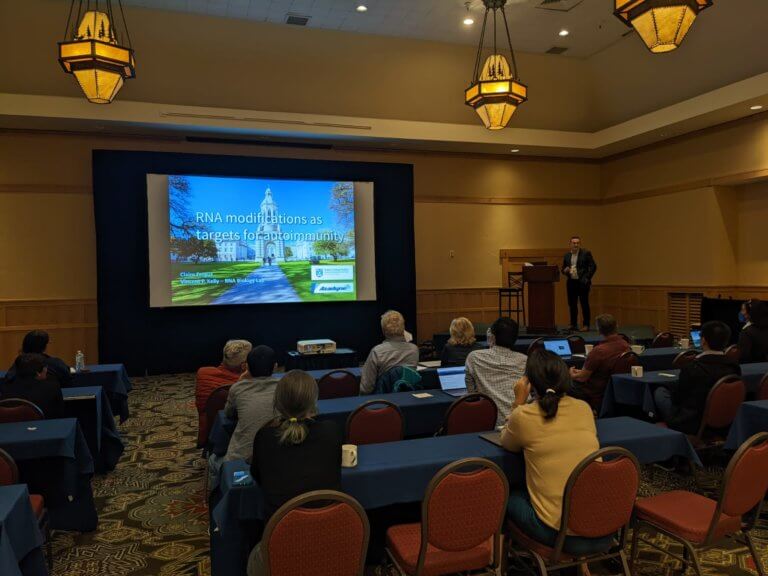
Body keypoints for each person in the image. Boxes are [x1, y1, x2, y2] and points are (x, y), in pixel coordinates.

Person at [501, 350, 611, 554]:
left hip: (560, 536)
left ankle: (504, 559)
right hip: (604, 528)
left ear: (530, 383)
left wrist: (518, 402)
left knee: (503, 493)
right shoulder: (583, 408)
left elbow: (507, 443)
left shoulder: (523, 415)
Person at [247, 370, 342, 576]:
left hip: (280, 547)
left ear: (277, 402)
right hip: (331, 542)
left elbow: (258, 477)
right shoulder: (332, 431)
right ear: (314, 401)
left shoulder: (264, 437)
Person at [654, 321, 741, 434]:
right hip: (725, 420)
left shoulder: (692, 368)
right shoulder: (734, 366)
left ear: (703, 340)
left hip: (692, 422)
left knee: (660, 392)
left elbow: (679, 399)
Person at [222, 345, 280, 463]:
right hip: (278, 456)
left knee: (213, 461)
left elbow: (228, 413)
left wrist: (239, 383)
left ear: (247, 367)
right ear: (275, 367)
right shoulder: (285, 386)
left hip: (242, 459)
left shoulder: (237, 388)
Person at [465, 317, 527, 426]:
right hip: (525, 420)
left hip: (495, 424)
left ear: (492, 336)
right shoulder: (524, 360)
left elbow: (472, 394)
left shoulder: (474, 357)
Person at [195, 339, 252, 446]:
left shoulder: (202, 373)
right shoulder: (245, 385)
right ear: (244, 365)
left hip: (209, 433)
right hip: (236, 435)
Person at [569, 314, 630, 411]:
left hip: (594, 393)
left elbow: (582, 378)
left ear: (599, 330)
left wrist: (571, 375)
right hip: (615, 390)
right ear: (616, 326)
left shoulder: (598, 351)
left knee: (564, 384)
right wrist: (581, 372)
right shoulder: (626, 345)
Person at [360, 310, 419, 394]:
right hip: (408, 398)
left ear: (383, 330)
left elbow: (366, 388)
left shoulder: (377, 351)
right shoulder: (414, 350)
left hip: (383, 402)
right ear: (403, 328)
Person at [0, 353, 65, 419]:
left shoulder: (5, 386)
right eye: (45, 368)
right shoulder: (52, 387)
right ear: (38, 373)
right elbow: (59, 414)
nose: (46, 370)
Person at [4, 330, 72, 387]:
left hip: (22, 402)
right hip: (49, 401)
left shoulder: (18, 364)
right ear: (44, 347)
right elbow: (68, 379)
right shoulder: (55, 363)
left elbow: (7, 382)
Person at [561, 236, 597, 332]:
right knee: (572, 304)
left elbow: (593, 266)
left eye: (577, 243)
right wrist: (565, 271)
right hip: (571, 282)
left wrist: (587, 278)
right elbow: (563, 269)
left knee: (584, 303)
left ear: (580, 244)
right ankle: (573, 324)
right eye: (574, 243)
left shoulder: (586, 253)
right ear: (570, 244)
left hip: (582, 283)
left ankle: (586, 325)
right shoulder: (567, 256)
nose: (576, 245)